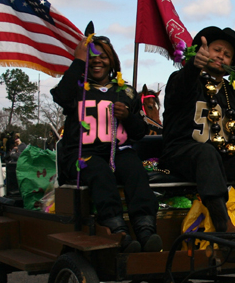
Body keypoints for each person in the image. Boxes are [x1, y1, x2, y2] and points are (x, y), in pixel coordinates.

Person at [51, 33, 160, 253]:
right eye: (92, 57)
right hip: (83, 154)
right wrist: (79, 60)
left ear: (112, 61)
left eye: (103, 57)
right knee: (100, 173)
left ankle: (146, 229)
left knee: (135, 170)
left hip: (118, 151)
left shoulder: (125, 91)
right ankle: (117, 229)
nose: (98, 61)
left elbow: (139, 132)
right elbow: (60, 96)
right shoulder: (76, 89)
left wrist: (128, 116)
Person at [159, 26, 235, 232]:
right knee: (206, 152)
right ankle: (223, 226)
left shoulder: (234, 94)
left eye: (227, 55)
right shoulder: (182, 78)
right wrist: (192, 67)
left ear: (232, 64)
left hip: (222, 158)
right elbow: (177, 92)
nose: (221, 57)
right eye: (216, 50)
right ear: (204, 52)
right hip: (182, 154)